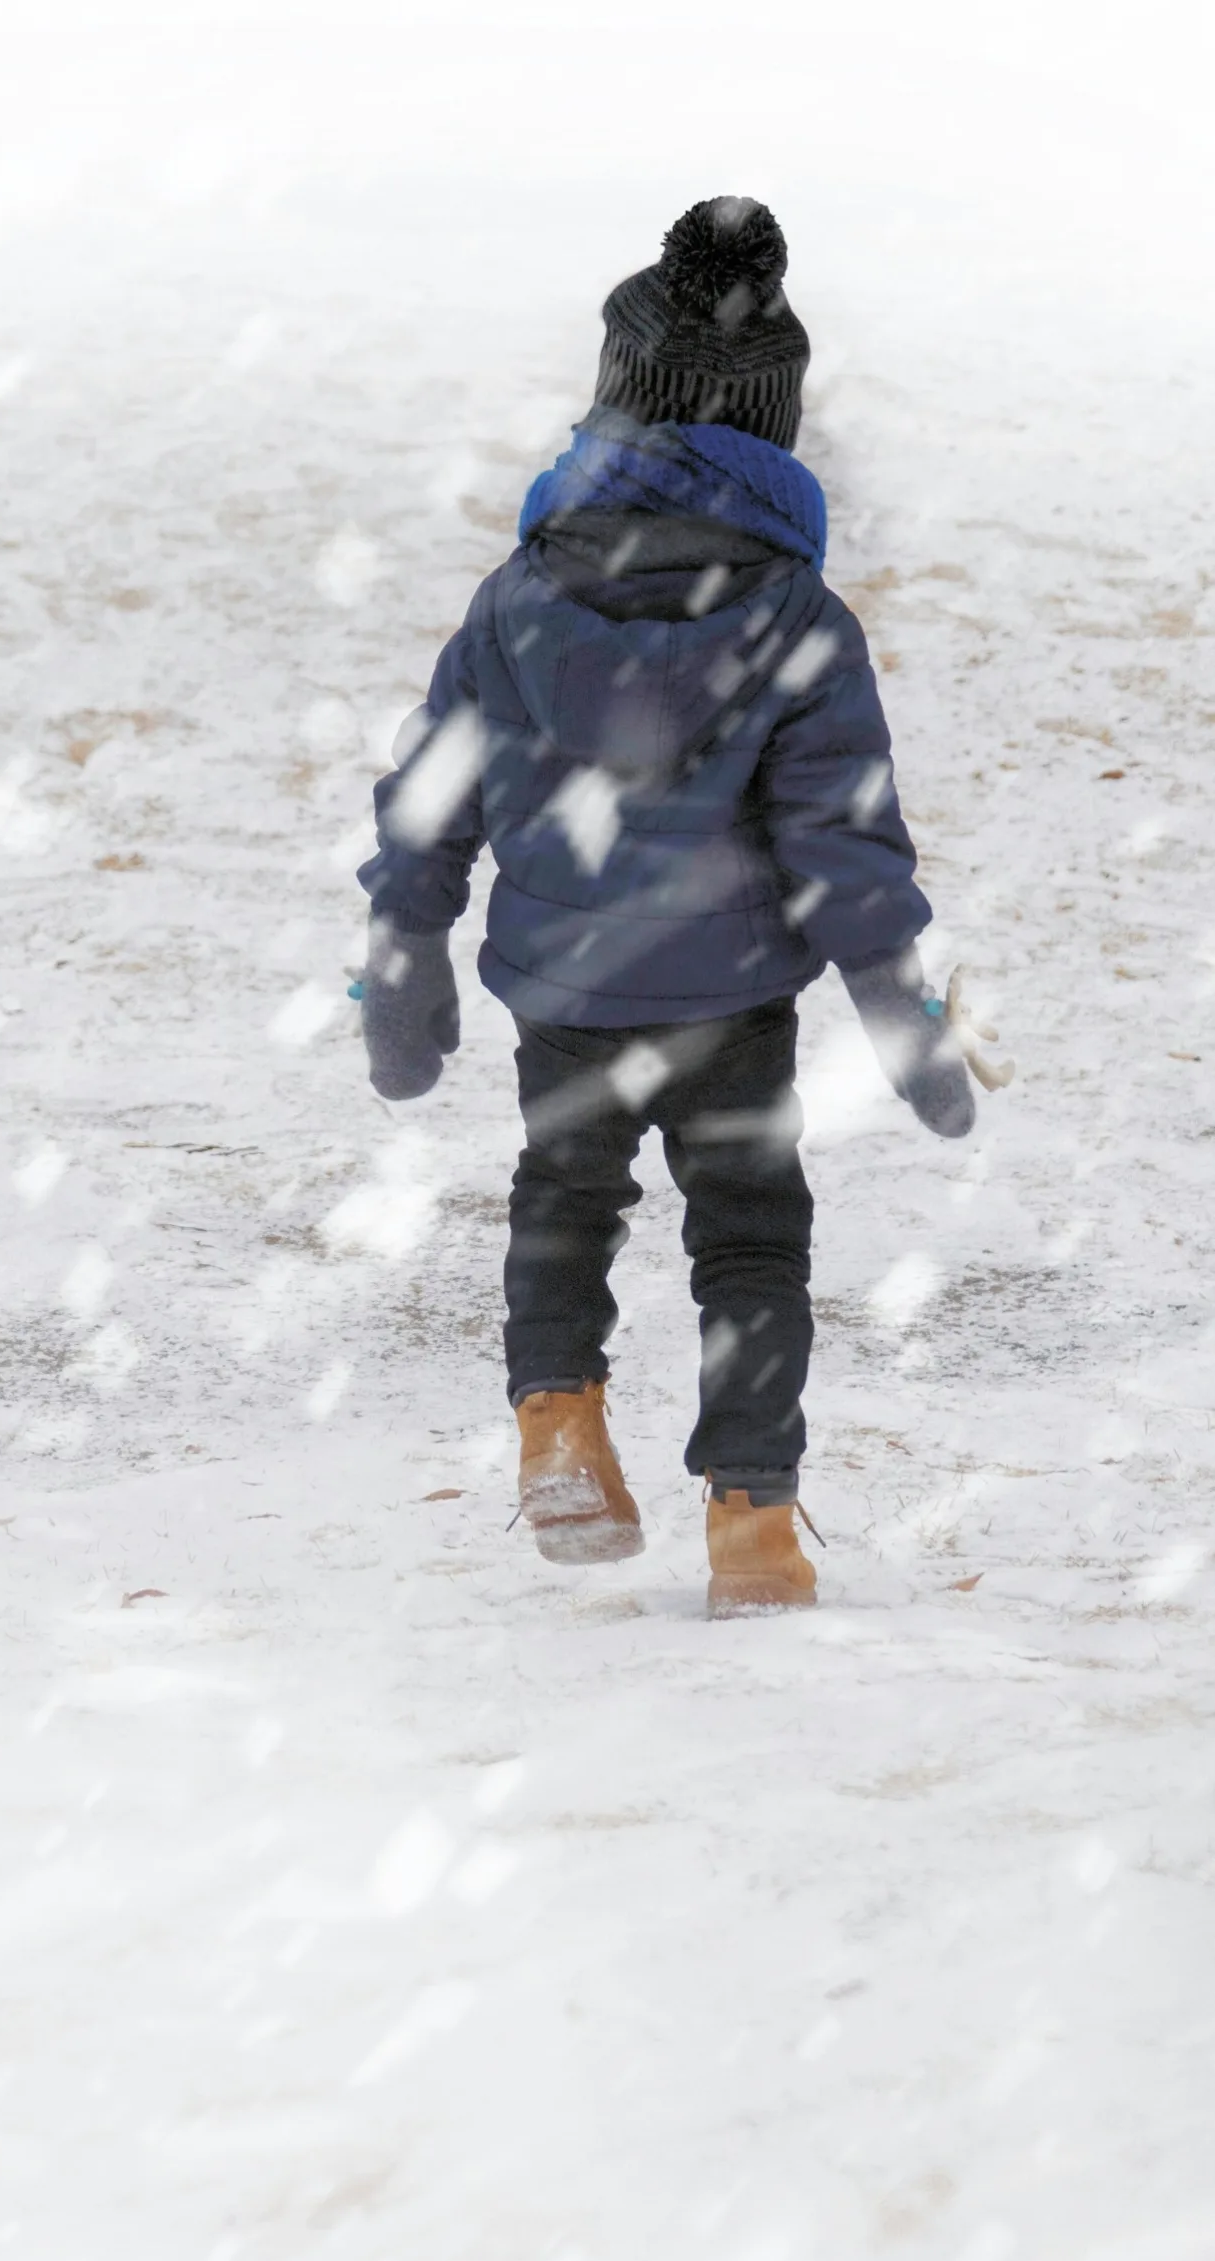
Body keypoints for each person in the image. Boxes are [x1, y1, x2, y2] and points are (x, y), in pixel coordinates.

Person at [355, 196, 976, 1617]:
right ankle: (753, 1520)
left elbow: (425, 802)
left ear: (611, 406)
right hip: (733, 1004)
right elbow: (848, 853)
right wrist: (906, 1015)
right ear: (774, 436)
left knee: (564, 1203)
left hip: (567, 988)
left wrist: (404, 961)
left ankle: (558, 1430)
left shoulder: (513, 604)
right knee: (750, 1238)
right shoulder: (802, 626)